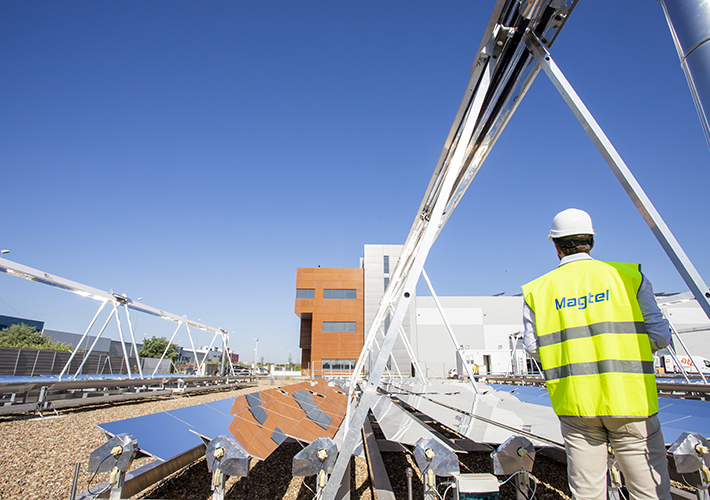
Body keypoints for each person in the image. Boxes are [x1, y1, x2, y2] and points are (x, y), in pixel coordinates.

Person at [521, 208, 671, 500]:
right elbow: (660, 336)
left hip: (576, 403)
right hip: (631, 401)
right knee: (649, 492)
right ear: (591, 240)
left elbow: (533, 348)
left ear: (555, 245)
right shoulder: (629, 277)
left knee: (587, 492)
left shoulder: (537, 291)